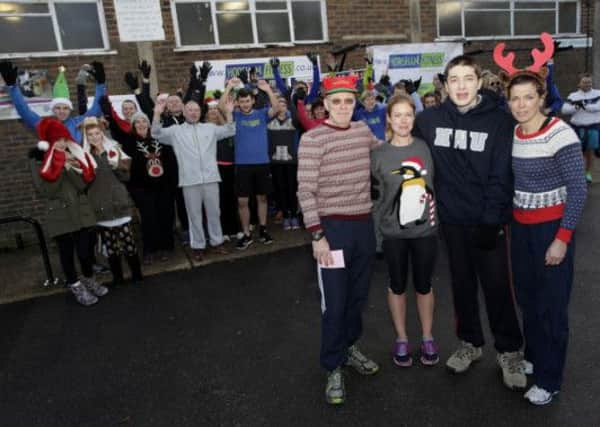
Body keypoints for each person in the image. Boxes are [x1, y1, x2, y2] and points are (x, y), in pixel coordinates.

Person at [413, 55, 525, 390]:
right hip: (451, 222)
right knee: (461, 286)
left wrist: (492, 220)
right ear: (445, 85)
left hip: (487, 222)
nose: (460, 86)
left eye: (467, 79)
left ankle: (508, 350)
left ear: (479, 82)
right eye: (454, 80)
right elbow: (409, 152)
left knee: (497, 288)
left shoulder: (500, 122)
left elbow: (502, 174)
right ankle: (470, 344)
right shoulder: (429, 120)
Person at [297, 75, 380, 405]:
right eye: (337, 102)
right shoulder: (313, 139)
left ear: (355, 103)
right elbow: (305, 190)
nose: (343, 107)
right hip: (332, 231)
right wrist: (317, 235)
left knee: (358, 297)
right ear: (326, 105)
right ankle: (333, 365)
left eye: (349, 101)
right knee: (335, 302)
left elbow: (386, 154)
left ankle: (349, 348)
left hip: (363, 227)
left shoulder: (362, 132)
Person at [505, 70, 587, 405]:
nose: (521, 104)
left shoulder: (560, 133)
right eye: (514, 98)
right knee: (528, 300)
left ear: (542, 98)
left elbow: (579, 190)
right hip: (521, 229)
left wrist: (562, 238)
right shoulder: (513, 133)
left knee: (553, 307)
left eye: (528, 97)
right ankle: (535, 357)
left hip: (551, 230)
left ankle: (549, 379)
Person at [371, 95, 439, 367]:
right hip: (393, 235)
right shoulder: (378, 155)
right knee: (397, 285)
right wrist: (377, 238)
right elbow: (376, 200)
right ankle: (401, 337)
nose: (402, 120)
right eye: (396, 115)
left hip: (425, 234)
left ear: (414, 117)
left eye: (407, 115)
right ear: (388, 118)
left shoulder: (426, 148)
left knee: (424, 285)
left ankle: (427, 336)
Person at [30, 118, 107, 306]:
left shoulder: (72, 155)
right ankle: (75, 284)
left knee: (84, 251)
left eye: (64, 140)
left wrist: (70, 167)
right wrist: (60, 168)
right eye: (58, 140)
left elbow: (82, 184)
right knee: (66, 252)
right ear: (49, 141)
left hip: (80, 211)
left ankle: (88, 278)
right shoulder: (39, 160)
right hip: (60, 213)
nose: (62, 144)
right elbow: (46, 190)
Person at [152, 97, 236, 261]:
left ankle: (217, 242)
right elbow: (155, 133)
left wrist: (229, 113)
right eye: (190, 110)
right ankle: (198, 246)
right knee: (194, 215)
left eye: (196, 110)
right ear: (184, 112)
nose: (193, 113)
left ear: (200, 112)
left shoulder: (209, 128)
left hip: (211, 178)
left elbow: (230, 130)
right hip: (189, 181)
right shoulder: (175, 131)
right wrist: (156, 114)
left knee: (214, 213)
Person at [219, 77, 279, 250]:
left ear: (253, 100)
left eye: (248, 101)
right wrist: (229, 87)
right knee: (243, 201)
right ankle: (246, 233)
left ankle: (263, 229)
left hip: (262, 163)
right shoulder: (235, 115)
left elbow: (276, 108)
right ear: (238, 102)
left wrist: (268, 90)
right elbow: (222, 107)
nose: (245, 104)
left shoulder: (261, 114)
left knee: (262, 198)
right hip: (243, 165)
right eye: (242, 101)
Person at [82, 117, 143, 286]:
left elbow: (126, 176)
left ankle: (137, 274)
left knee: (128, 243)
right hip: (101, 207)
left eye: (97, 133)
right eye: (90, 135)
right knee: (111, 247)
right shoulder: (85, 156)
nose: (94, 137)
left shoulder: (115, 150)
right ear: (86, 137)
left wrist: (116, 165)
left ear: (102, 134)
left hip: (119, 203)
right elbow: (84, 184)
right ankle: (118, 277)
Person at [0, 61, 106, 143]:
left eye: (65, 108)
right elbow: (24, 110)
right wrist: (12, 86)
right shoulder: (45, 125)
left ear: (70, 109)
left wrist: (101, 84)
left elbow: (97, 109)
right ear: (53, 109)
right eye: (58, 108)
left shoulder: (79, 122)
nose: (62, 111)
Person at [268, 96, 300, 230]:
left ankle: (294, 215)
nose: (281, 106)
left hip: (291, 162)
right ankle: (286, 216)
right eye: (278, 104)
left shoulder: (293, 121)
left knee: (292, 189)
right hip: (275, 162)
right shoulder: (269, 122)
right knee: (280, 189)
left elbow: (298, 113)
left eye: (284, 104)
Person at [562, 73, 600, 183]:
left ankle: (587, 173)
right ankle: (578, 174)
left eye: (589, 82)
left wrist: (582, 105)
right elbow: (565, 110)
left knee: (589, 152)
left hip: (592, 127)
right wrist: (578, 106)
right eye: (585, 82)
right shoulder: (573, 96)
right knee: (577, 152)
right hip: (576, 128)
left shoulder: (598, 93)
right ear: (579, 83)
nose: (587, 84)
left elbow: (597, 108)